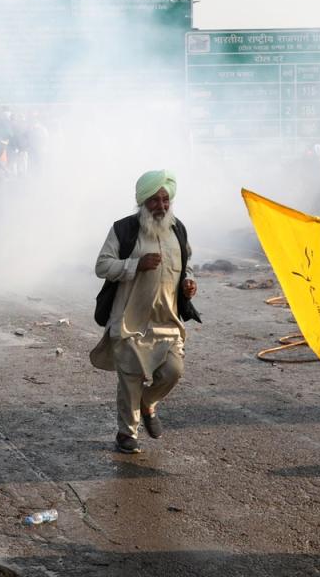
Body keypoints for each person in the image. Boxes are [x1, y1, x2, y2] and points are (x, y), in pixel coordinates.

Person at [90, 170, 200, 454]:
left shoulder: (178, 229)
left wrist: (188, 282)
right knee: (130, 379)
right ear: (142, 202)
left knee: (173, 372)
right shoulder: (124, 230)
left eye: (165, 200)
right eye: (154, 200)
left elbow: (185, 264)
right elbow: (103, 266)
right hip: (130, 320)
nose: (161, 206)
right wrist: (134, 264)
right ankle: (127, 433)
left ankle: (148, 403)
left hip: (168, 321)